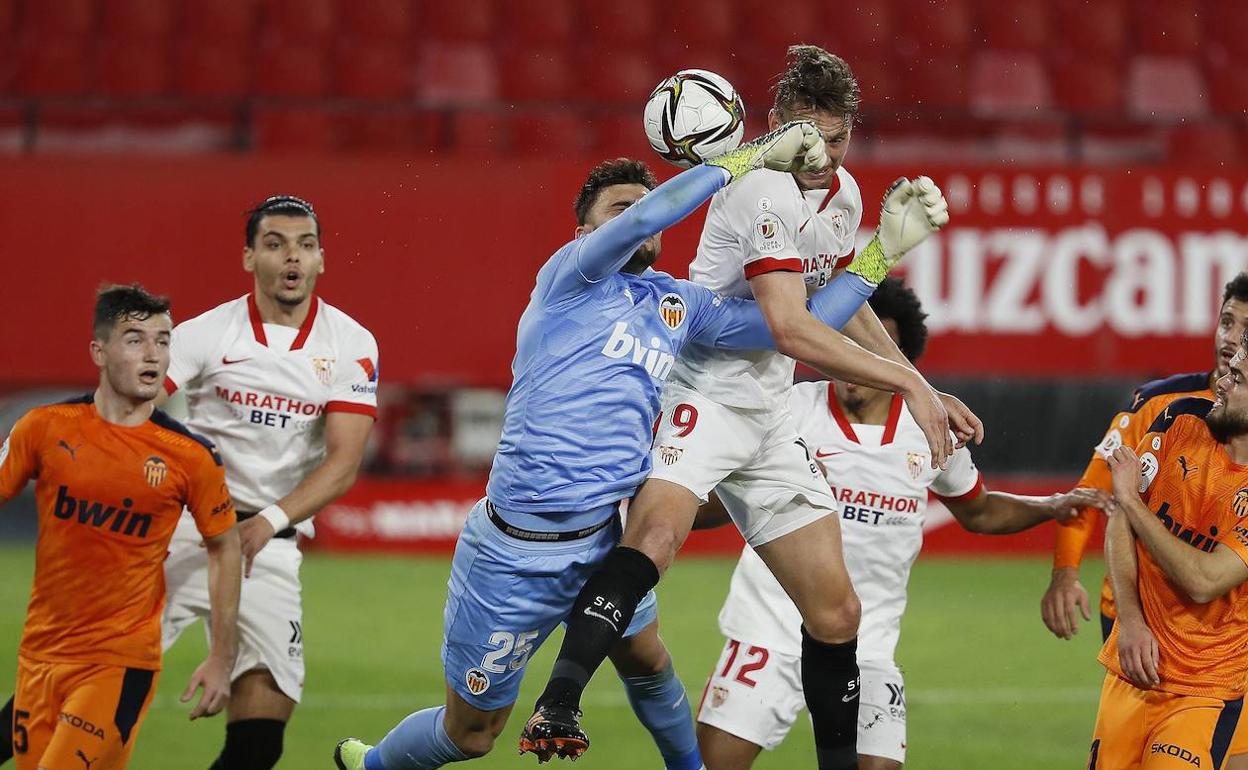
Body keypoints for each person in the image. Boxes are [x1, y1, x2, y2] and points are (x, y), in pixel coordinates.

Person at [334, 123, 955, 770]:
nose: (636, 218)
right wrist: (743, 159)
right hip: (516, 554)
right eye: (617, 210)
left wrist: (878, 256)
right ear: (586, 233)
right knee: (471, 735)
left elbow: (785, 327)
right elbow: (648, 217)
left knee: (650, 661)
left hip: (602, 541)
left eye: (642, 208)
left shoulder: (677, 305)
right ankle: (374, 764)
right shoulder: (567, 281)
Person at [523, 45, 979, 770]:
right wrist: (913, 385)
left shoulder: (846, 196)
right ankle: (559, 701)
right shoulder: (759, 189)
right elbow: (792, 327)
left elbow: (840, 306)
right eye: (811, 134)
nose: (825, 155)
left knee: (837, 613)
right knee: (656, 542)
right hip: (705, 390)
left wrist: (902, 355)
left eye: (838, 137)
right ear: (774, 124)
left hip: (768, 413)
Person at [693, 278, 1109, 770]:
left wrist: (1051, 506)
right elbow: (701, 510)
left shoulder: (927, 428)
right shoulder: (790, 410)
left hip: (869, 646)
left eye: (865, 348)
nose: (851, 360)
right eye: (842, 343)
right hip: (770, 633)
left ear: (898, 361)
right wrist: (783, 485)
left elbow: (978, 510)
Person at [159, 195, 379, 770]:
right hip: (180, 531)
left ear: (321, 260)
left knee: (260, 740)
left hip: (269, 544)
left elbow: (343, 462)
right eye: (276, 244)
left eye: (305, 246)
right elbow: (134, 406)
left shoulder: (351, 344)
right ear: (249, 257)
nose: (292, 258)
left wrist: (269, 521)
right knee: (87, 690)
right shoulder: (206, 333)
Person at [1, 284, 240, 770]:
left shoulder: (190, 456)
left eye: (163, 340)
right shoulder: (44, 428)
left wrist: (221, 657)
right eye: (135, 339)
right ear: (99, 350)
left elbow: (225, 547)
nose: (154, 354)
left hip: (119, 662)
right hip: (40, 658)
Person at [1041, 273, 1248, 644]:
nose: (1230, 338)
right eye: (1227, 322)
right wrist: (1065, 572)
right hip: (1139, 616)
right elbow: (1094, 492)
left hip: (1226, 633)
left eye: (1245, 329)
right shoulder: (1159, 403)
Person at [1090, 342, 1248, 770]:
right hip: (1132, 670)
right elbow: (1120, 518)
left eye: (1238, 379)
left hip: (1203, 690)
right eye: (1230, 369)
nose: (1222, 381)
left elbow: (1204, 581)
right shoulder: (1182, 418)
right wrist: (1131, 621)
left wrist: (1132, 501)